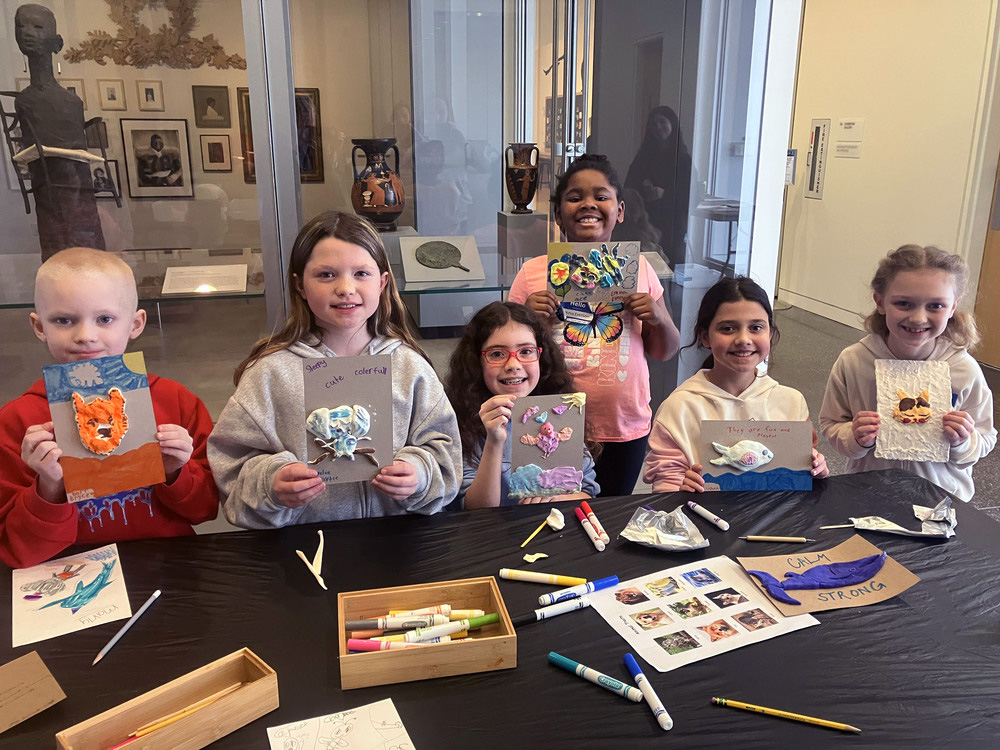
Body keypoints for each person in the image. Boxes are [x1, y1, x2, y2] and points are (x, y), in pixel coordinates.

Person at [208, 211, 461, 528]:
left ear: (382, 282)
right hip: (304, 544)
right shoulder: (269, 374)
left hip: (397, 541)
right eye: (326, 275)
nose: (345, 288)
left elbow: (445, 450)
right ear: (300, 285)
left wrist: (419, 474)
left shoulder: (410, 367)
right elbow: (230, 463)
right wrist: (270, 483)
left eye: (361, 273)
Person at [0, 248, 218, 568]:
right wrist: (49, 487)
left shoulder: (176, 401)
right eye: (63, 320)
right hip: (68, 574)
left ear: (135, 324)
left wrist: (174, 471)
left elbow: (206, 509)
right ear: (40, 327)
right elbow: (15, 550)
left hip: (167, 566)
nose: (86, 336)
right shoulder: (18, 422)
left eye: (104, 319)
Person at [508, 154, 681, 496]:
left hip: (622, 423)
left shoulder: (640, 269)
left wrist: (658, 318)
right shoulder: (532, 273)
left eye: (601, 196)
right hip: (550, 421)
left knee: (613, 511)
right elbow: (509, 353)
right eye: (575, 198)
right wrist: (529, 317)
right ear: (558, 214)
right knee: (551, 507)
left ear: (620, 210)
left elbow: (665, 350)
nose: (589, 204)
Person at [819, 245, 996, 502]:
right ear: (880, 302)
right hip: (869, 492)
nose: (918, 318)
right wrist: (854, 437)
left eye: (936, 305)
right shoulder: (855, 361)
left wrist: (964, 441)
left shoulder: (963, 369)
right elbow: (831, 423)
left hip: (940, 496)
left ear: (953, 307)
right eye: (903, 303)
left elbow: (986, 436)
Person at [643, 277, 829, 492]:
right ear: (705, 336)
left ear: (770, 333)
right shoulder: (679, 407)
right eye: (728, 328)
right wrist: (681, 490)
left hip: (776, 513)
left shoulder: (791, 402)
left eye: (756, 327)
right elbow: (666, 485)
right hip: (703, 513)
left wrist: (817, 470)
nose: (743, 339)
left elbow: (804, 470)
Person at [444, 301, 599, 508]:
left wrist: (555, 498)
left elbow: (587, 492)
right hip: (492, 527)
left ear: (541, 357)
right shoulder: (463, 422)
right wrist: (494, 442)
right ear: (476, 362)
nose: (513, 365)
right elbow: (475, 509)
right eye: (497, 354)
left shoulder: (559, 412)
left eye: (525, 351)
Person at [13, 3, 106, 258]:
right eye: (21, 26)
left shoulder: (70, 102)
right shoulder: (25, 101)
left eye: (37, 27)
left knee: (83, 240)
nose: (27, 32)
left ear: (57, 42)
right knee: (57, 243)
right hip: (48, 187)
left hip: (74, 189)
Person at [624, 106, 692, 266]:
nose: (658, 127)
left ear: (672, 124)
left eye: (662, 122)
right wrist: (644, 191)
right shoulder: (644, 156)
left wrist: (664, 194)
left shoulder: (683, 159)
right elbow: (629, 185)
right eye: (653, 124)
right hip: (645, 220)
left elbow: (690, 194)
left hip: (672, 222)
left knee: (668, 264)